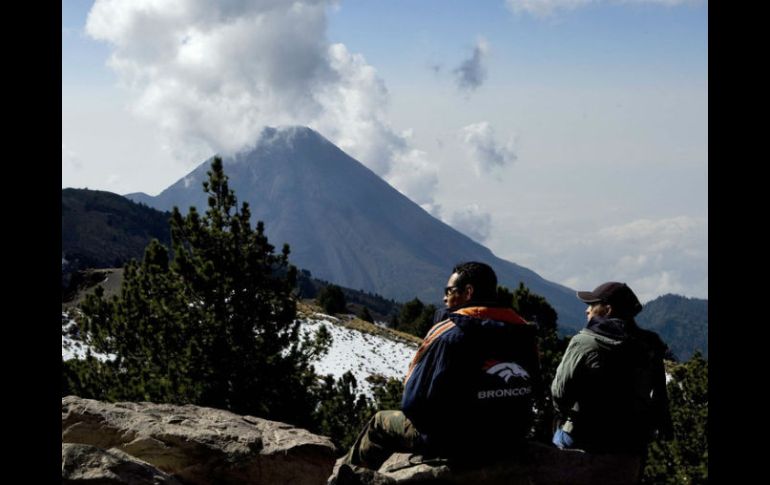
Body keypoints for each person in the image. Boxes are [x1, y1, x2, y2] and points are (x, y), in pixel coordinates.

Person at [340, 262, 541, 470]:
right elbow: (537, 388)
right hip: (510, 437)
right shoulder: (523, 332)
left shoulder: (449, 334)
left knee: (379, 422)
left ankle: (350, 477)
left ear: (468, 292)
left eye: (449, 291)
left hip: (456, 443)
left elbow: (412, 402)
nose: (444, 298)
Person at [551, 281, 672, 459]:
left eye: (592, 305)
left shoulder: (585, 342)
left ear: (607, 310)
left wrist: (564, 415)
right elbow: (659, 394)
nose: (587, 310)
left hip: (584, 437)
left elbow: (559, 393)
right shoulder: (650, 344)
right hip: (632, 441)